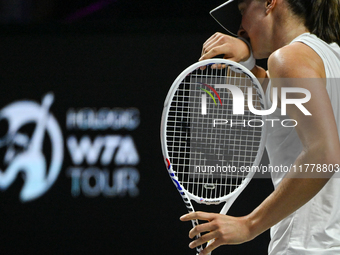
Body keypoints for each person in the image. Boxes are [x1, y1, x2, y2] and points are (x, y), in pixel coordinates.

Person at [180, 0, 340, 254]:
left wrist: (248, 225)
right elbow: (266, 102)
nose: (239, 29)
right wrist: (245, 60)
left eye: (243, 11)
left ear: (268, 3)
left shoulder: (288, 58)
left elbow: (325, 153)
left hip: (305, 247)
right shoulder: (330, 55)